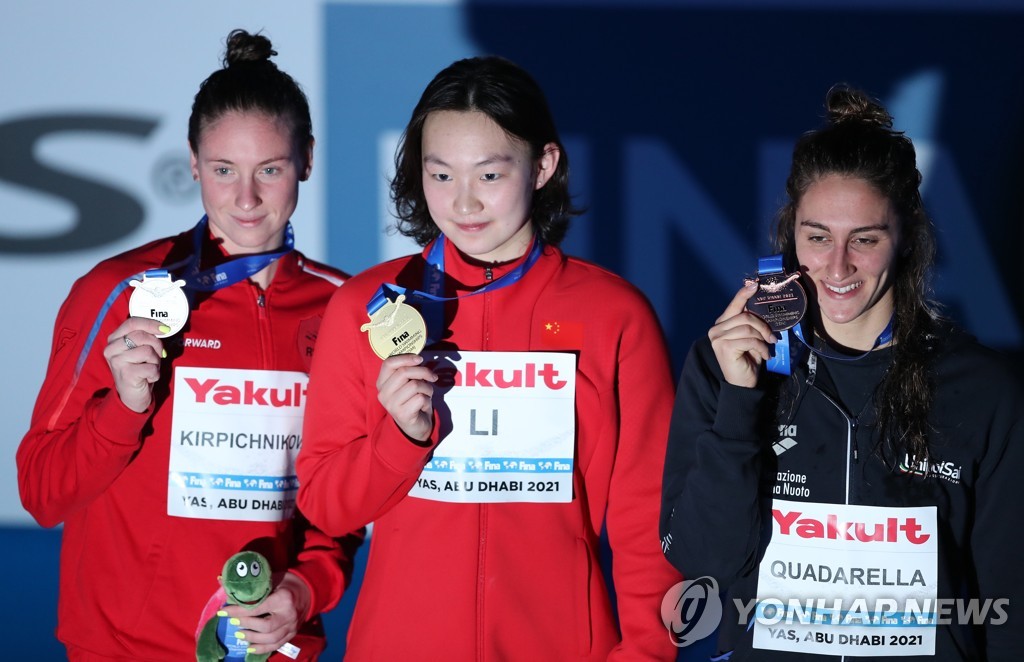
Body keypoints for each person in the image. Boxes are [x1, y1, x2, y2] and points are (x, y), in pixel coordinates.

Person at [295, 55, 681, 659]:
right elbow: (325, 504)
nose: (464, 203)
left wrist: (646, 653)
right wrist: (399, 437)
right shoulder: (366, 308)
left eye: (490, 176)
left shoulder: (615, 316)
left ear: (543, 165)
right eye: (441, 175)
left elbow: (648, 520)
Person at [17, 29, 362, 661]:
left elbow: (339, 502)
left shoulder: (343, 307)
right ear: (193, 161)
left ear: (307, 160)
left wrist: (305, 592)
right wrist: (124, 405)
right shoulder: (119, 292)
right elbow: (42, 493)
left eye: (271, 169)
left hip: (268, 649)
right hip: (125, 647)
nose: (247, 198)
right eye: (224, 170)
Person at [659, 85, 1024, 660]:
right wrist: (739, 399)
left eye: (866, 240)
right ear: (790, 234)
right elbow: (705, 561)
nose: (837, 266)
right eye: (817, 237)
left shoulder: (981, 388)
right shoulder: (727, 363)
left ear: (905, 237)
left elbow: (1009, 601)